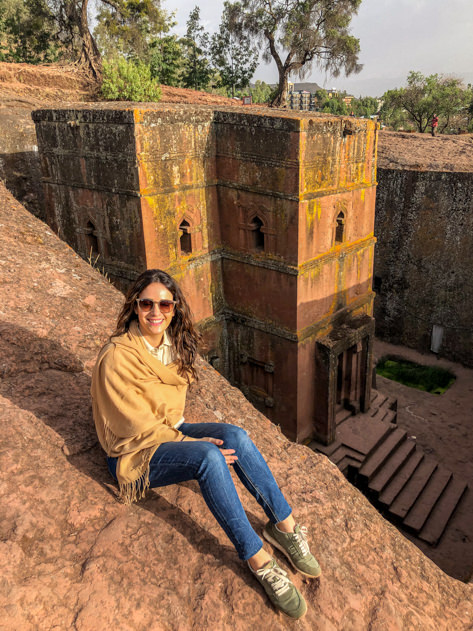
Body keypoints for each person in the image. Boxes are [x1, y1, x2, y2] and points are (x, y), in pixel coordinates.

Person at [91, 268, 321, 620]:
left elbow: (170, 413)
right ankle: (258, 559)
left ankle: (284, 524)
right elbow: (129, 424)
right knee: (209, 457)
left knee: (236, 437)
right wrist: (189, 442)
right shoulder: (118, 356)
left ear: (175, 308)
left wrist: (188, 436)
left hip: (168, 430)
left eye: (164, 305)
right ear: (135, 307)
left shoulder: (172, 345)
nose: (156, 313)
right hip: (132, 450)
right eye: (147, 304)